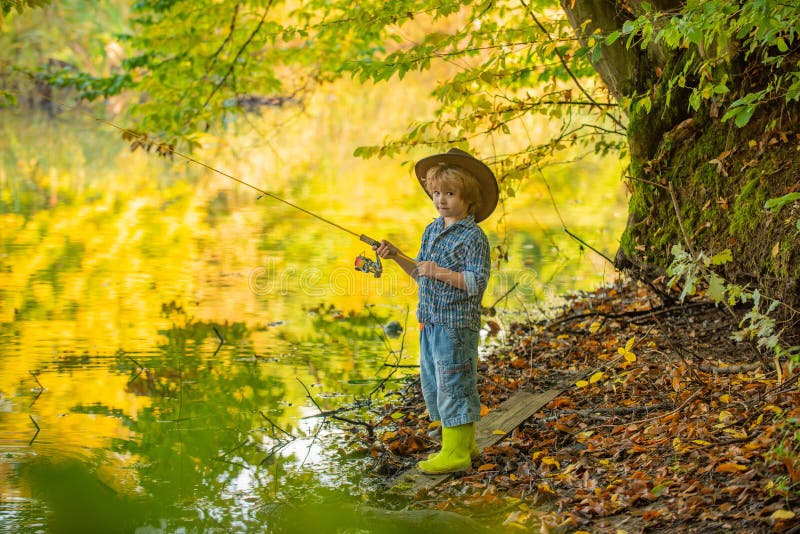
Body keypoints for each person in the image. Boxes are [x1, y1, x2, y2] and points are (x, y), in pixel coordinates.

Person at [374, 148, 497, 474]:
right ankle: (465, 446)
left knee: (454, 384)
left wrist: (438, 271)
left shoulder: (474, 237)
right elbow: (419, 271)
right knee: (436, 383)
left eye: (450, 194)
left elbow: (476, 282)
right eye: (436, 194)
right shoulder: (432, 229)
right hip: (430, 321)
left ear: (468, 198)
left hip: (455, 326)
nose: (441, 200)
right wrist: (397, 256)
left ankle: (454, 454)